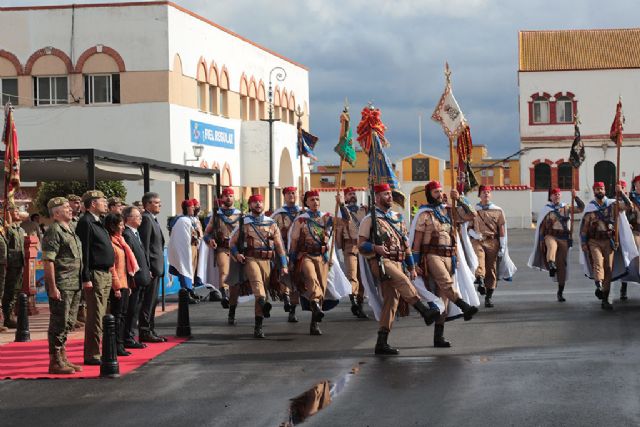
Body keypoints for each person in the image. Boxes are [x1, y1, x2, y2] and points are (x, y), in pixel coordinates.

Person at [358, 183, 440, 355]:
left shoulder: (398, 218)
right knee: (402, 281)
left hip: (398, 261)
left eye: (390, 194)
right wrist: (375, 247)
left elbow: (405, 244)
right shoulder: (370, 219)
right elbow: (361, 245)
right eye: (386, 194)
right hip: (381, 261)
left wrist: (411, 266)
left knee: (392, 301)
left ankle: (382, 341)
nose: (390, 197)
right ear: (377, 197)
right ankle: (423, 311)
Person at [410, 181, 479, 348]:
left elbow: (472, 215)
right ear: (428, 194)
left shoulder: (450, 211)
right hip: (431, 255)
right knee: (445, 281)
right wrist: (414, 264)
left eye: (441, 191)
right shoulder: (424, 214)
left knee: (444, 297)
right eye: (435, 192)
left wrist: (460, 199)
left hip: (450, 256)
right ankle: (463, 305)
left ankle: (438, 336)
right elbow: (417, 241)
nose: (439, 194)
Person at [288, 190, 351, 336]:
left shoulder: (326, 218)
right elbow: (294, 242)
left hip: (322, 257)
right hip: (305, 256)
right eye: (312, 200)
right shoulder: (301, 220)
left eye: (317, 199)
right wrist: (291, 261)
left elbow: (346, 222)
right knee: (311, 279)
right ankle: (315, 306)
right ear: (306, 202)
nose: (315, 202)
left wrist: (341, 204)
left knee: (321, 288)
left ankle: (314, 322)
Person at [230, 194, 288, 338]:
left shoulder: (271, 223)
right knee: (258, 287)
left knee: (262, 295)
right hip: (250, 259)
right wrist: (237, 254)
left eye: (260, 202)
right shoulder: (244, 223)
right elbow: (232, 242)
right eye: (255, 202)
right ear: (250, 205)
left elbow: (279, 246)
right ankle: (262, 305)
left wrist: (284, 265)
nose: (258, 204)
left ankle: (258, 326)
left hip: (267, 261)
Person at [580, 182, 637, 311]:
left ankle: (605, 298)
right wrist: (584, 243)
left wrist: (621, 192)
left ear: (605, 190)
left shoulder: (613, 204)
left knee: (608, 269)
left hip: (609, 241)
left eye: (602, 188)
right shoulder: (590, 208)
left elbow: (630, 206)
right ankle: (599, 285)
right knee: (598, 262)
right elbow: (584, 228)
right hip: (594, 241)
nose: (600, 191)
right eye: (597, 189)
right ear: (594, 191)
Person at [42, 197, 83, 374]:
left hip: (74, 283)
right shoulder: (54, 230)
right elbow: (48, 261)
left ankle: (63, 357)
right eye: (66, 207)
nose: (70, 209)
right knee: (58, 322)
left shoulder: (70, 229)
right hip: (62, 284)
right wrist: (52, 287)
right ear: (56, 212)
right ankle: (55, 360)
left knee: (69, 322)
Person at [76, 190, 115, 365]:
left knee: (104, 314)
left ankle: (102, 349)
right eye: (102, 200)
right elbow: (84, 252)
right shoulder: (86, 222)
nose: (105, 203)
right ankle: (92, 354)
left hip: (105, 273)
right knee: (96, 316)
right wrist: (86, 277)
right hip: (95, 273)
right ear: (92, 204)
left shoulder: (98, 222)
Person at [528, 188, 584, 301]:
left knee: (562, 266)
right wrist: (540, 241)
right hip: (550, 235)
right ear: (550, 197)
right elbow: (541, 227)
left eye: (558, 194)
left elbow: (581, 208)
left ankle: (560, 291)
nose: (557, 196)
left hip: (563, 237)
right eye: (554, 194)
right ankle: (551, 264)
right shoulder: (546, 210)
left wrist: (575, 197)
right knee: (551, 246)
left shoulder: (566, 207)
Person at [468, 185, 517, 307]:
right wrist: (474, 233)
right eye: (484, 192)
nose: (486, 194)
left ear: (491, 195)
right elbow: (468, 227)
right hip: (478, 240)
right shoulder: (474, 210)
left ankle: (488, 297)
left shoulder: (498, 210)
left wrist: (502, 246)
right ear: (479, 195)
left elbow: (501, 229)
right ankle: (480, 281)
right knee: (479, 260)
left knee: (491, 269)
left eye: (488, 192)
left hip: (492, 242)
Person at [105, 213, 139, 356]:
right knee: (117, 316)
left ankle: (120, 344)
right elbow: (112, 266)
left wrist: (128, 285)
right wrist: (117, 286)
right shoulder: (110, 242)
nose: (123, 227)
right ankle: (115, 346)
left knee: (123, 315)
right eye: (120, 224)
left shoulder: (122, 240)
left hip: (125, 282)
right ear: (113, 226)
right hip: (117, 284)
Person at [203, 187, 241, 310]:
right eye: (226, 196)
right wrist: (210, 240)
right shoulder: (216, 215)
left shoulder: (240, 215)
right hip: (222, 248)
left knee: (235, 277)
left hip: (236, 250)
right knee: (224, 271)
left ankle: (233, 298)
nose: (228, 198)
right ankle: (224, 295)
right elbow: (206, 233)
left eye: (231, 196)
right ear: (222, 198)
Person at [270, 186, 303, 322]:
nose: (292, 196)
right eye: (289, 193)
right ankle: (286, 297)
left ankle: (293, 309)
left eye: (294, 193)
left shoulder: (303, 213)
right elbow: (271, 231)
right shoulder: (278, 215)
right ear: (284, 196)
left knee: (295, 278)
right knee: (284, 274)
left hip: (298, 250)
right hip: (283, 250)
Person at [122, 206, 151, 349]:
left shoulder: (135, 233)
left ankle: (131, 336)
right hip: (134, 280)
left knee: (136, 309)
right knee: (131, 310)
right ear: (128, 219)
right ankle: (128, 337)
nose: (140, 218)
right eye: (137, 216)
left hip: (142, 278)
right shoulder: (127, 234)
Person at [138, 192, 166, 342]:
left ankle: (150, 329)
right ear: (147, 204)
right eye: (156, 202)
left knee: (153, 300)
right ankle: (145, 330)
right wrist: (147, 267)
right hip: (152, 268)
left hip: (157, 267)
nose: (159, 205)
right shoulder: (147, 220)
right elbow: (146, 247)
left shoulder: (153, 219)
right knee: (148, 301)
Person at [338, 186, 369, 319]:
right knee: (352, 275)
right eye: (349, 194)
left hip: (363, 247)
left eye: (353, 194)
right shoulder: (341, 212)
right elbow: (344, 220)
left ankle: (360, 304)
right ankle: (353, 301)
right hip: (350, 247)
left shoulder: (363, 210)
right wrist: (340, 204)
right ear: (345, 197)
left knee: (363, 278)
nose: (352, 196)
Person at [168, 199, 200, 303]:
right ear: (187, 208)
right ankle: (186, 292)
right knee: (184, 269)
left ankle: (191, 290)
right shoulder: (182, 220)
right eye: (192, 207)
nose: (194, 208)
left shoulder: (191, 219)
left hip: (193, 247)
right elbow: (183, 237)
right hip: (185, 248)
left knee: (191, 270)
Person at [1, 203, 26, 329]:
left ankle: (11, 314)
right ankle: (7, 316)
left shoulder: (20, 229)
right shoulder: (8, 229)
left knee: (16, 290)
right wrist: (8, 223)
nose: (17, 213)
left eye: (17, 211)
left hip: (20, 263)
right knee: (9, 291)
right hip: (11, 264)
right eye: (14, 211)